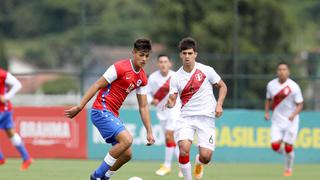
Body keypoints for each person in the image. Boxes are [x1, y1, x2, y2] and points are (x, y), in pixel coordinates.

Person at [64, 38, 155, 180]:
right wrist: (80, 106)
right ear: (134, 53)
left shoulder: (142, 78)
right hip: (101, 110)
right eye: (141, 55)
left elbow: (143, 106)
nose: (144, 59)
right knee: (127, 139)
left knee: (127, 154)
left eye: (147, 56)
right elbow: (97, 85)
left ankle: (104, 177)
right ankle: (97, 176)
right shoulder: (120, 67)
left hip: (112, 114)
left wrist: (149, 131)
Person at [166, 37, 227, 180]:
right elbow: (172, 100)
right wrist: (169, 103)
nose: (187, 56)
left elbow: (223, 86)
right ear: (181, 55)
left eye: (189, 53)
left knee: (206, 157)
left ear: (195, 54)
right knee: (184, 149)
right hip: (186, 118)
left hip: (206, 118)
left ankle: (199, 163)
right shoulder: (175, 77)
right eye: (184, 53)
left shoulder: (206, 70)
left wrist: (219, 104)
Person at [264, 62, 303, 177]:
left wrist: (293, 114)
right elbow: (268, 99)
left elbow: (300, 104)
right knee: (275, 146)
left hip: (291, 121)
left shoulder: (294, 87)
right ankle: (287, 153)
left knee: (288, 147)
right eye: (280, 69)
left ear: (288, 72)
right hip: (277, 120)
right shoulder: (271, 85)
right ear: (277, 72)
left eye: (284, 69)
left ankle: (288, 168)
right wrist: (266, 112)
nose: (282, 71)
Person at [147, 54, 182, 177]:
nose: (163, 64)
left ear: (170, 64)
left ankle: (167, 165)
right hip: (161, 112)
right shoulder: (152, 77)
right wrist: (151, 100)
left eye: (165, 61)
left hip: (174, 110)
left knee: (169, 136)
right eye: (160, 62)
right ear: (158, 64)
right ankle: (183, 166)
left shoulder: (175, 76)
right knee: (171, 140)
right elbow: (147, 93)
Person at [0, 68, 32, 170]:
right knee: (11, 133)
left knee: (11, 133)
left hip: (2, 109)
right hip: (6, 109)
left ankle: (0, 159)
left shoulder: (1, 74)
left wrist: (6, 96)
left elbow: (17, 84)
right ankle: (27, 158)